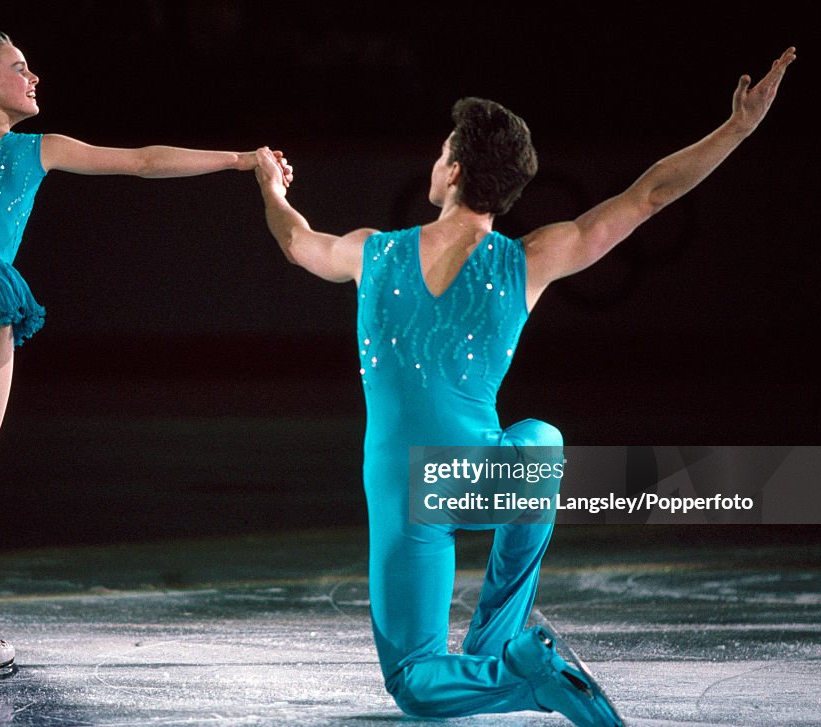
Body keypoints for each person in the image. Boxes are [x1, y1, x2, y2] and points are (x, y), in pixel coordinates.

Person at [252, 47, 795, 725]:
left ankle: (515, 670)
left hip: (404, 491)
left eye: (442, 150)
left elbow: (296, 240)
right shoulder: (527, 261)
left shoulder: (372, 251)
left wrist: (271, 188)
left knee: (416, 685)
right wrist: (737, 129)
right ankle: (508, 650)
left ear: (452, 170)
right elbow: (649, 196)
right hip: (482, 473)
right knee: (540, 444)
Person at [0, 7, 291, 692]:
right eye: (19, 68)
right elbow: (141, 161)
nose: (32, 75)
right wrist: (243, 159)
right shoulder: (33, 149)